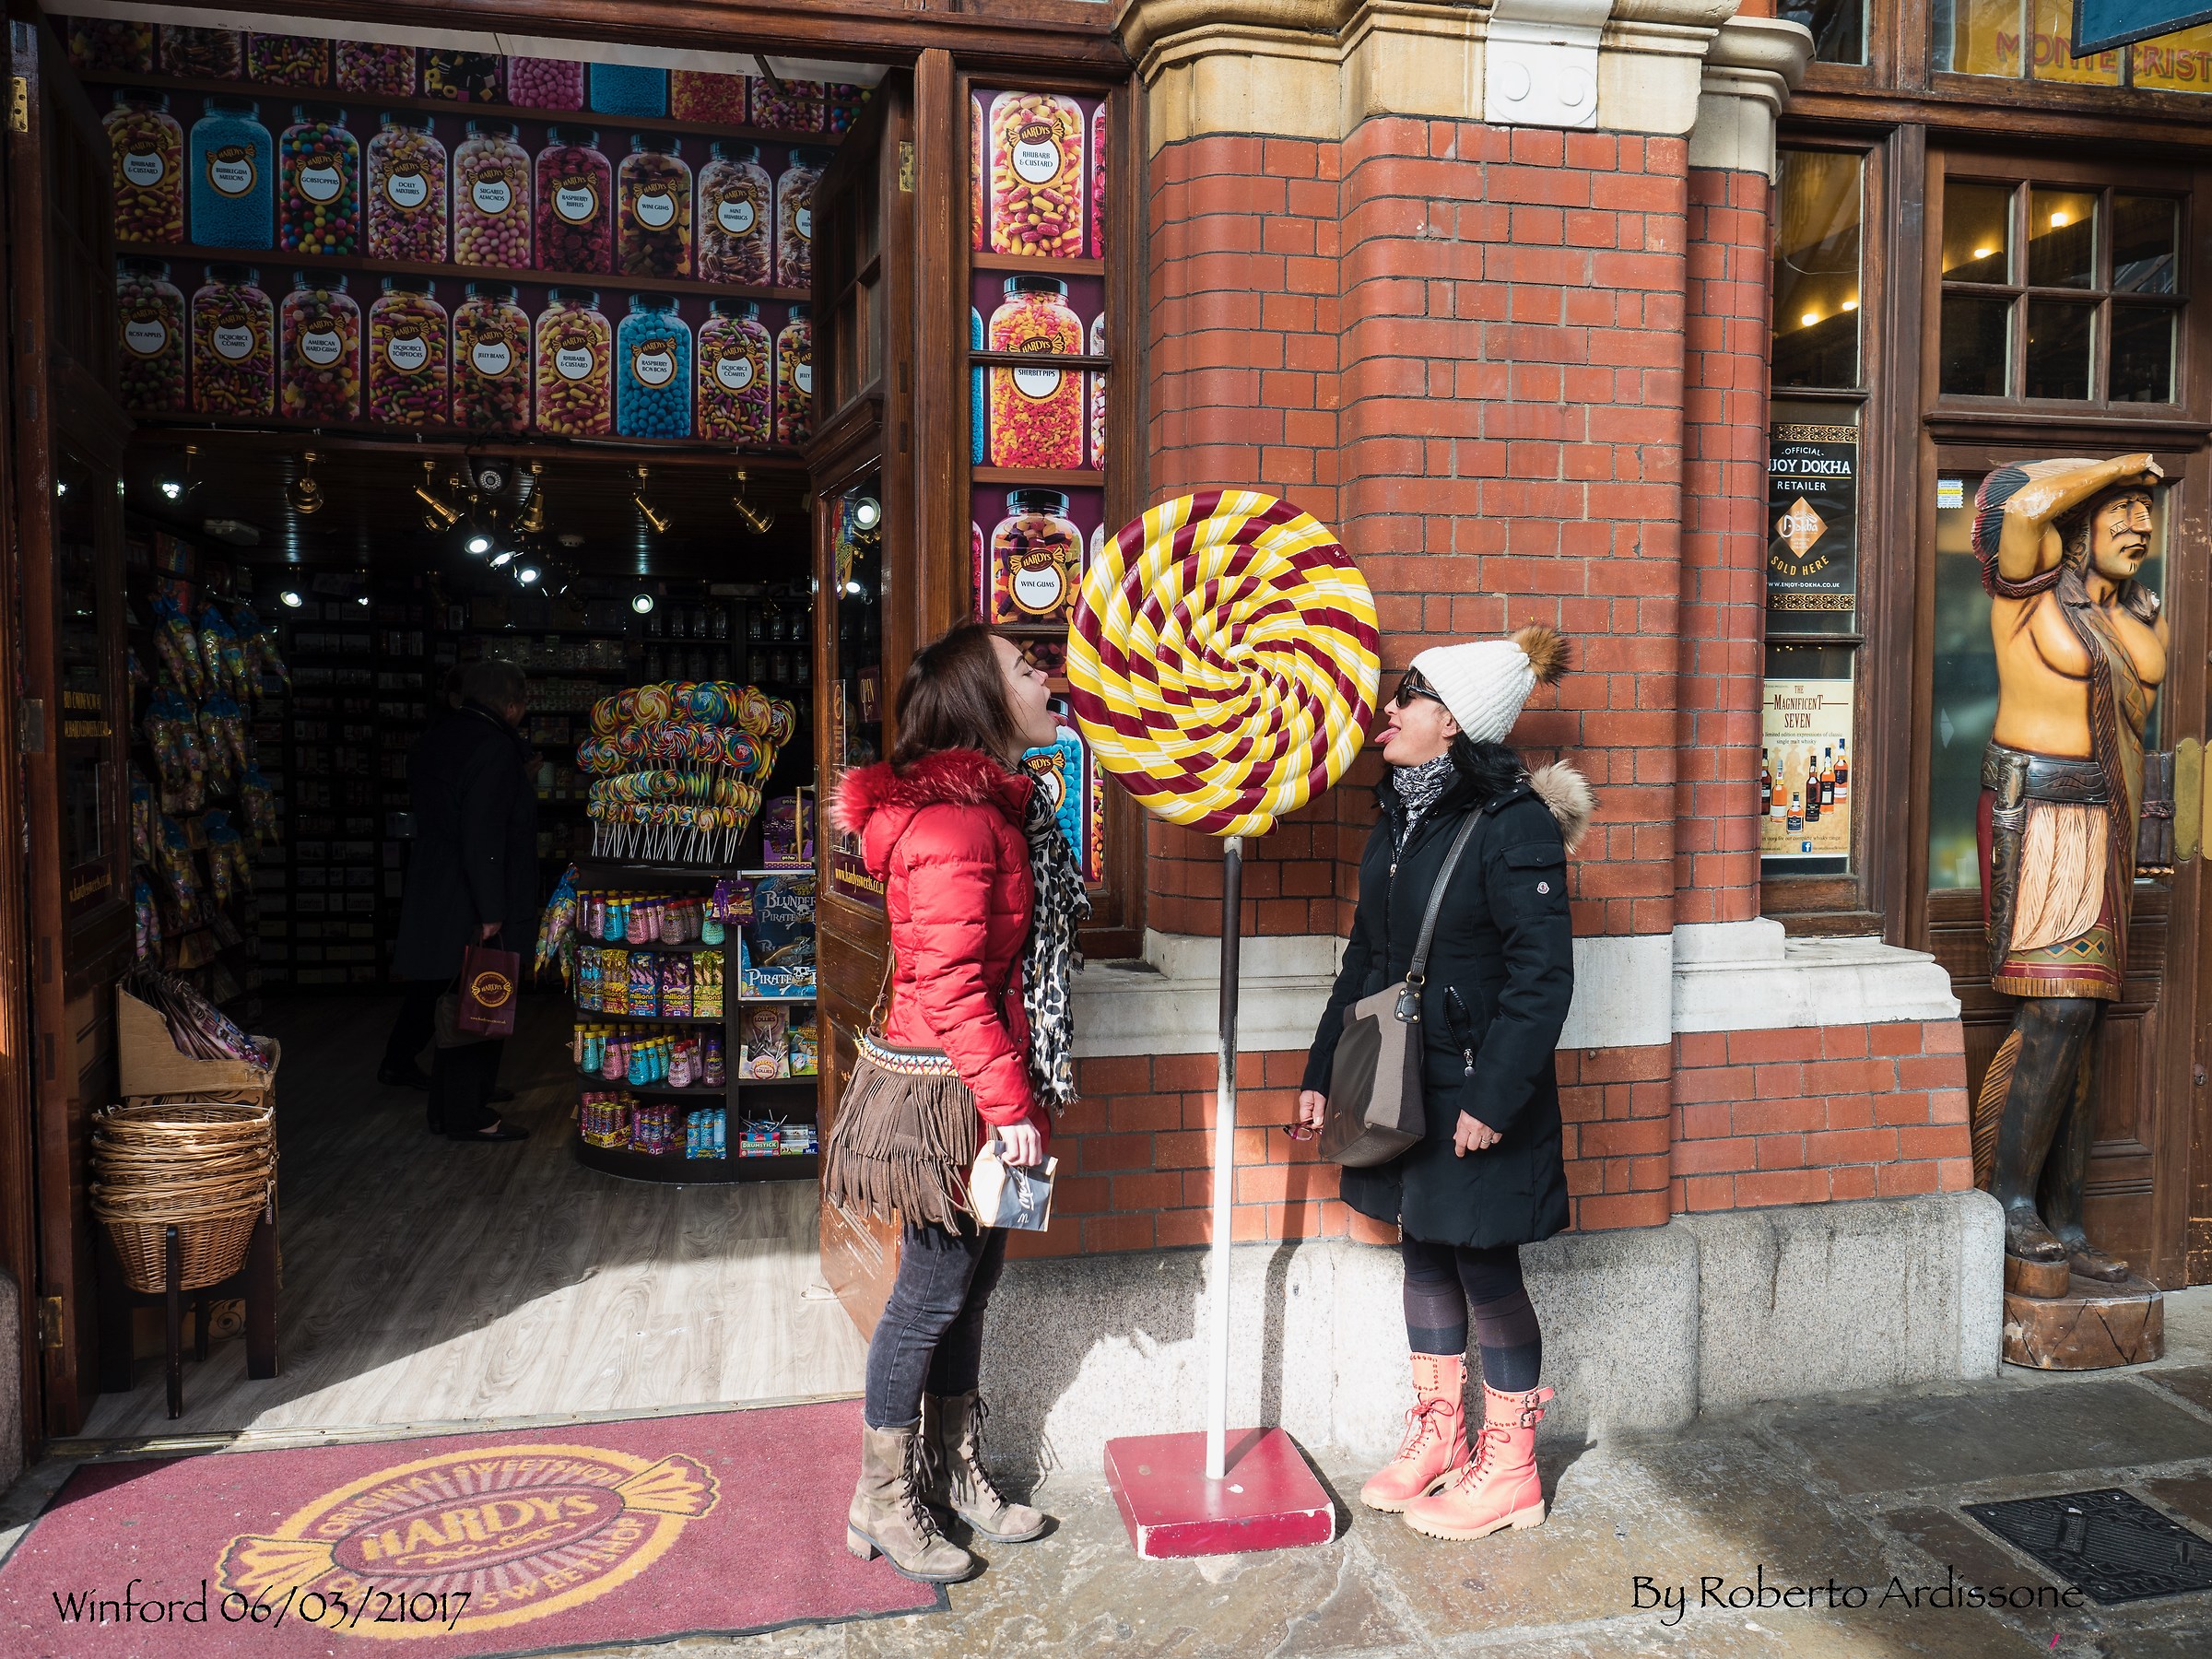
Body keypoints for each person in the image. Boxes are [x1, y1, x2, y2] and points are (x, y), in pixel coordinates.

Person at [1297, 626, 1590, 1542]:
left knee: (1485, 1267)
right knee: (1422, 1248)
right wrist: (1319, 1072)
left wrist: (1493, 1101)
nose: (1388, 712)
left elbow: (1544, 979)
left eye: (1407, 697)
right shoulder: (1400, 820)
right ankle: (1439, 1435)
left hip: (1474, 1089)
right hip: (1401, 1085)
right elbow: (1368, 958)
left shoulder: (1515, 826)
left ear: (1453, 722)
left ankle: (1511, 1470)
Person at [825, 620, 1084, 1583]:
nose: (1046, 676)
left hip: (983, 1086)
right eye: (1026, 668)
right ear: (983, 697)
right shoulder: (952, 825)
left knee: (968, 1294)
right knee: (929, 1296)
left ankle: (949, 1472)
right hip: (953, 1097)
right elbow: (952, 985)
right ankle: (880, 1498)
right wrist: (1011, 1106)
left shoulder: (999, 812)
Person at [1971, 454, 2169, 1283]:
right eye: (2119, 510)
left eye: (2146, 513)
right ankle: (2010, 1203)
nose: (2140, 525)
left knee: (2081, 1021)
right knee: (2053, 1014)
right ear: (2075, 519)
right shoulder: (2028, 596)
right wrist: (2119, 464)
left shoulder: (2134, 612)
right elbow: (2023, 517)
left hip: (2108, 820)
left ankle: (2067, 1213)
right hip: (2044, 812)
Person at [391, 657, 537, 1142]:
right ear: (511, 705)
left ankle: (449, 1108)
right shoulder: (495, 747)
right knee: (482, 1001)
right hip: (476, 895)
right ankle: (470, 1115)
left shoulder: (437, 737)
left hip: (439, 885)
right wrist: (492, 910)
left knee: (459, 999)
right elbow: (483, 833)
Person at [380, 664, 473, 1090]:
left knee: (445, 977)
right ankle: (413, 1064)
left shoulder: (435, 743)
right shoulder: (449, 744)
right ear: (455, 698)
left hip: (442, 871)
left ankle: (432, 1067)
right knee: (442, 979)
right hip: (449, 875)